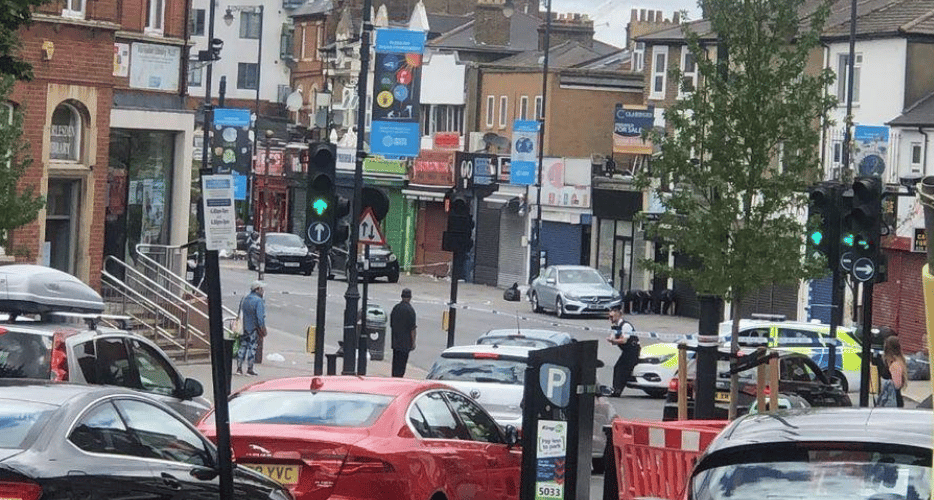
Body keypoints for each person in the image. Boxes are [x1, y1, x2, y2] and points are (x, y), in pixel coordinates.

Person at [606, 305, 639, 397]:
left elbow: (624, 340)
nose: (610, 319)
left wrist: (613, 340)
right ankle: (616, 389)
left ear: (618, 315)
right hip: (626, 351)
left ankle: (617, 390)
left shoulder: (626, 325)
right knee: (618, 368)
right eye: (609, 317)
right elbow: (613, 339)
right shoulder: (615, 326)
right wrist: (612, 340)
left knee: (621, 369)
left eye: (611, 317)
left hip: (632, 351)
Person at [237, 280, 267, 376]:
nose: (263, 291)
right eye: (262, 289)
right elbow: (260, 317)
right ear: (257, 289)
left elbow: (239, 312)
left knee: (242, 346)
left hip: (243, 326)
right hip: (253, 327)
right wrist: (262, 328)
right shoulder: (258, 301)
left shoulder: (245, 298)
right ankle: (250, 369)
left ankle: (239, 368)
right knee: (252, 348)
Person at [390, 288, 417, 378]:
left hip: (396, 341)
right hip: (405, 343)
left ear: (401, 296)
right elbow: (412, 329)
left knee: (395, 364)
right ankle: (399, 379)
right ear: (410, 297)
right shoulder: (410, 310)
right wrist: (413, 343)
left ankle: (394, 378)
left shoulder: (396, 308)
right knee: (402, 365)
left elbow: (391, 324)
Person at [876, 335, 907, 407]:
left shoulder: (894, 365)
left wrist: (888, 383)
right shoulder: (898, 362)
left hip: (892, 399)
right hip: (894, 398)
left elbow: (897, 384)